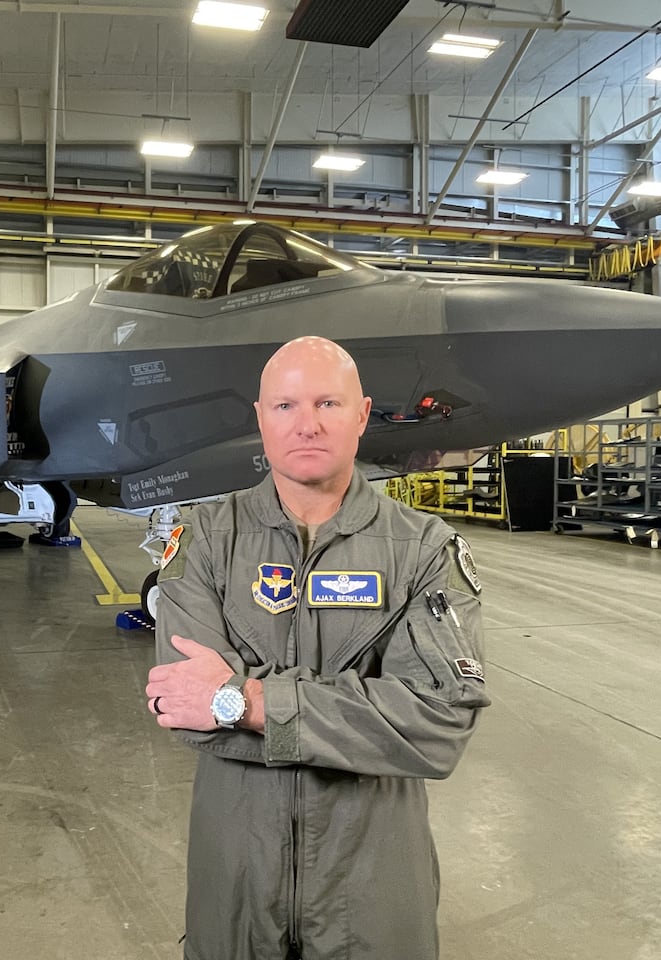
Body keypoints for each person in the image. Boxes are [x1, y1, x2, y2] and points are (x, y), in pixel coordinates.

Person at [144, 336, 490, 960]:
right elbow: (183, 705)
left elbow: (437, 721)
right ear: (260, 418)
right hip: (236, 885)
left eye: (328, 403)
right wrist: (363, 714)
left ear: (362, 414)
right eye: (285, 406)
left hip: (375, 890)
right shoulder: (207, 541)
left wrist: (244, 702)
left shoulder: (423, 549)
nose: (306, 424)